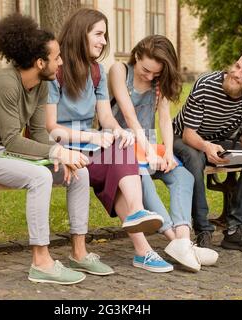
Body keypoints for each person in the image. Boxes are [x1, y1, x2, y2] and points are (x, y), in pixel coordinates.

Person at [0, 13, 114, 285]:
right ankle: (41, 262)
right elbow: (12, 140)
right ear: (39, 62)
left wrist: (65, 156)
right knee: (40, 176)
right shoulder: (5, 83)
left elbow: (41, 133)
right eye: (56, 58)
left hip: (11, 154)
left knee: (80, 172)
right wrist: (57, 153)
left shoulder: (42, 84)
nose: (61, 62)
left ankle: (79, 252)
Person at [46, 8, 172, 273]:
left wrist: (118, 130)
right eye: (99, 34)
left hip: (89, 145)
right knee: (116, 166)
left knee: (122, 145)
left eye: (105, 35)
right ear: (81, 33)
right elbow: (50, 127)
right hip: (60, 148)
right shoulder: (55, 70)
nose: (104, 41)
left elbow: (105, 116)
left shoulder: (97, 71)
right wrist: (93, 135)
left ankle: (138, 216)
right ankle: (143, 250)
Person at [109, 35, 219, 272]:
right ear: (137, 56)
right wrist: (149, 153)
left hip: (147, 147)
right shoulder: (119, 70)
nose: (149, 77)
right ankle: (176, 242)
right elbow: (129, 117)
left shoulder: (159, 82)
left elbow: (165, 120)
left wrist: (167, 152)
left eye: (155, 74)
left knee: (183, 176)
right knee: (142, 180)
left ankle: (183, 237)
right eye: (146, 70)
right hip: (118, 146)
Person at [172, 50, 242, 253]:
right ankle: (203, 230)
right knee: (195, 156)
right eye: (237, 66)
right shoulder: (206, 85)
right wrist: (207, 146)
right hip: (182, 137)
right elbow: (189, 135)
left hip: (220, 140)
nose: (236, 73)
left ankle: (235, 229)